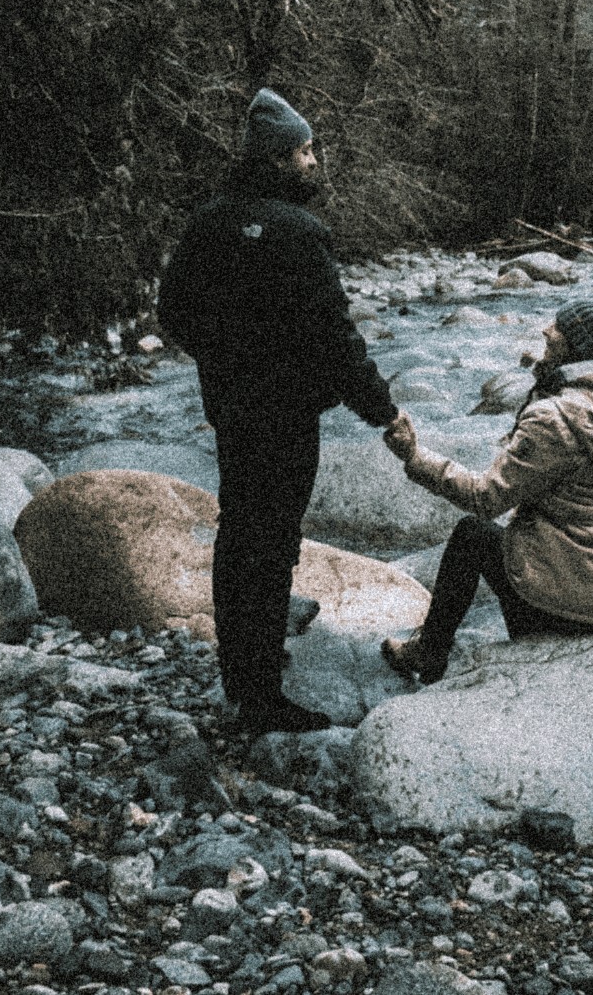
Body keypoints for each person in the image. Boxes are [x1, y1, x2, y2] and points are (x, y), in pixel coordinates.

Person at [158, 88, 397, 734]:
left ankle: (242, 673)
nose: (314, 161)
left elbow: (172, 310)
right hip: (288, 415)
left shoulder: (210, 221)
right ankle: (263, 696)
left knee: (239, 534)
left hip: (233, 409)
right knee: (272, 543)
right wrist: (384, 411)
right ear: (276, 160)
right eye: (304, 150)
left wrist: (222, 358)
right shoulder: (301, 232)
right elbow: (337, 340)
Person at [381, 277, 593, 684]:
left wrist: (415, 457)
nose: (547, 330)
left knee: (473, 534)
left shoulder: (555, 417)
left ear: (577, 348)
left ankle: (429, 652)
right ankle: (432, 650)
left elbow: (487, 497)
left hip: (563, 604)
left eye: (559, 328)